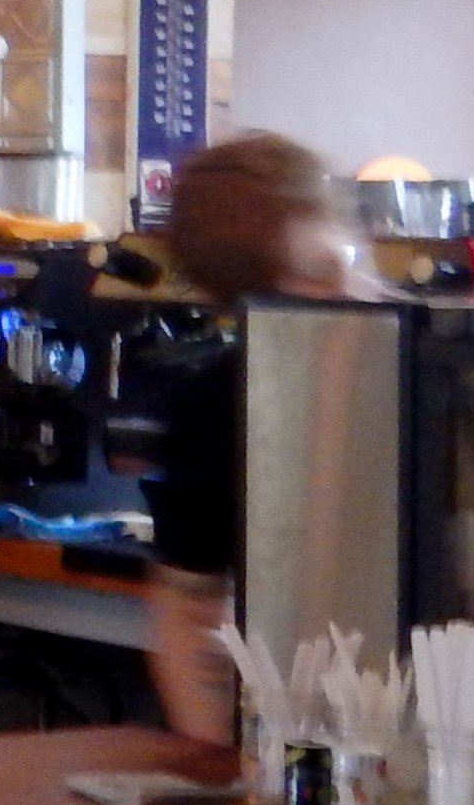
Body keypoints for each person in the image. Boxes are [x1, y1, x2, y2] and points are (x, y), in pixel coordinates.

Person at [134, 132, 370, 751]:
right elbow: (191, 612)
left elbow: (184, 611)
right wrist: (224, 763)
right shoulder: (220, 400)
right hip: (307, 724)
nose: (350, 280)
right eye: (326, 264)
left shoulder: (211, 395)